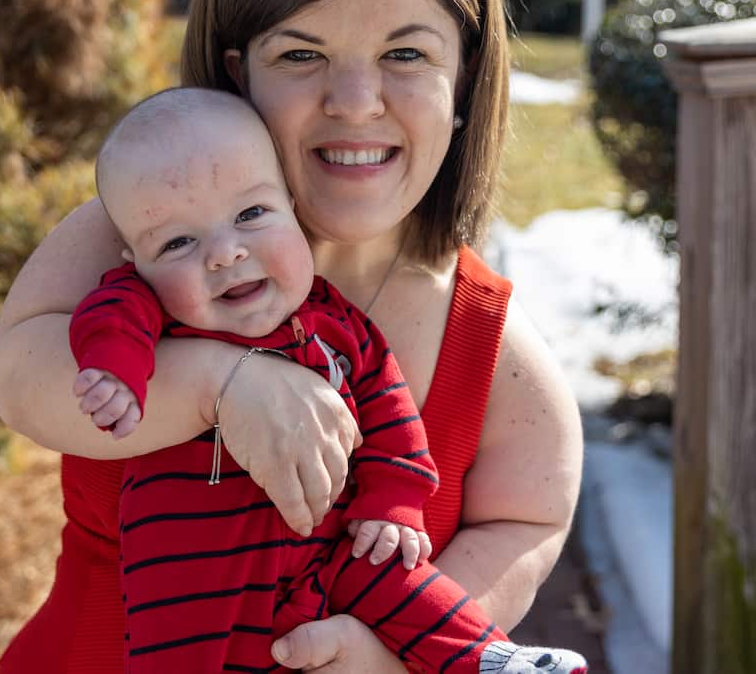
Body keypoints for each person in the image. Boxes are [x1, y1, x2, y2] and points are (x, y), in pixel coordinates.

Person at [0, 0, 585, 674]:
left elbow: (528, 520)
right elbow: (20, 374)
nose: (355, 101)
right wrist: (214, 385)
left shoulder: (490, 344)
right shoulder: (150, 230)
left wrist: (392, 649)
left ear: (464, 79)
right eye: (302, 54)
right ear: (239, 74)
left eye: (406, 54)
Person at [66, 87, 587, 673]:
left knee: (394, 573)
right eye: (179, 242)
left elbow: (390, 409)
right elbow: (108, 319)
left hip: (329, 551)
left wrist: (393, 502)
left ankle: (485, 658)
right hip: (197, 570)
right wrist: (116, 373)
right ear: (135, 260)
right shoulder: (154, 309)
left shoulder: (336, 323)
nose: (225, 253)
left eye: (251, 215)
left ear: (292, 206)